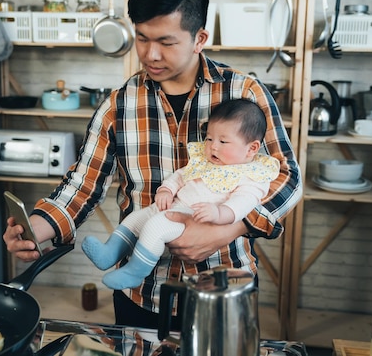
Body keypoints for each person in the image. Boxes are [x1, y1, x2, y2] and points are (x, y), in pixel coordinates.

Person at [3, 0, 302, 329]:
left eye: (166, 41)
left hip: (224, 287)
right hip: (142, 292)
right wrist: (35, 228)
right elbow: (80, 186)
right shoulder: (119, 104)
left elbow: (287, 178)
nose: (150, 54)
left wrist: (228, 230)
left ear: (199, 38)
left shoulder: (244, 94)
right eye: (143, 38)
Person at [81, 99, 280, 290]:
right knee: (134, 219)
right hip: (172, 206)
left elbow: (244, 202)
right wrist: (166, 189)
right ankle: (109, 253)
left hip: (192, 219)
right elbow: (181, 175)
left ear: (251, 148)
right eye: (209, 138)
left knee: (154, 228)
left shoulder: (252, 175)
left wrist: (220, 213)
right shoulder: (205, 161)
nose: (213, 146)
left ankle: (135, 272)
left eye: (223, 141)